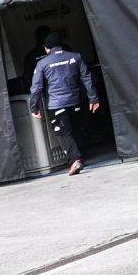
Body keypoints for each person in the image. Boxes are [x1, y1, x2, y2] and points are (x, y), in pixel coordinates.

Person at [28, 33, 100, 175]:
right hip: (75, 101)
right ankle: (79, 158)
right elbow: (87, 78)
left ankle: (75, 160)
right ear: (61, 45)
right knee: (76, 130)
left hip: (56, 105)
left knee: (63, 132)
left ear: (47, 48)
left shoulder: (42, 63)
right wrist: (94, 99)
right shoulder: (76, 57)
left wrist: (34, 107)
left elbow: (36, 87)